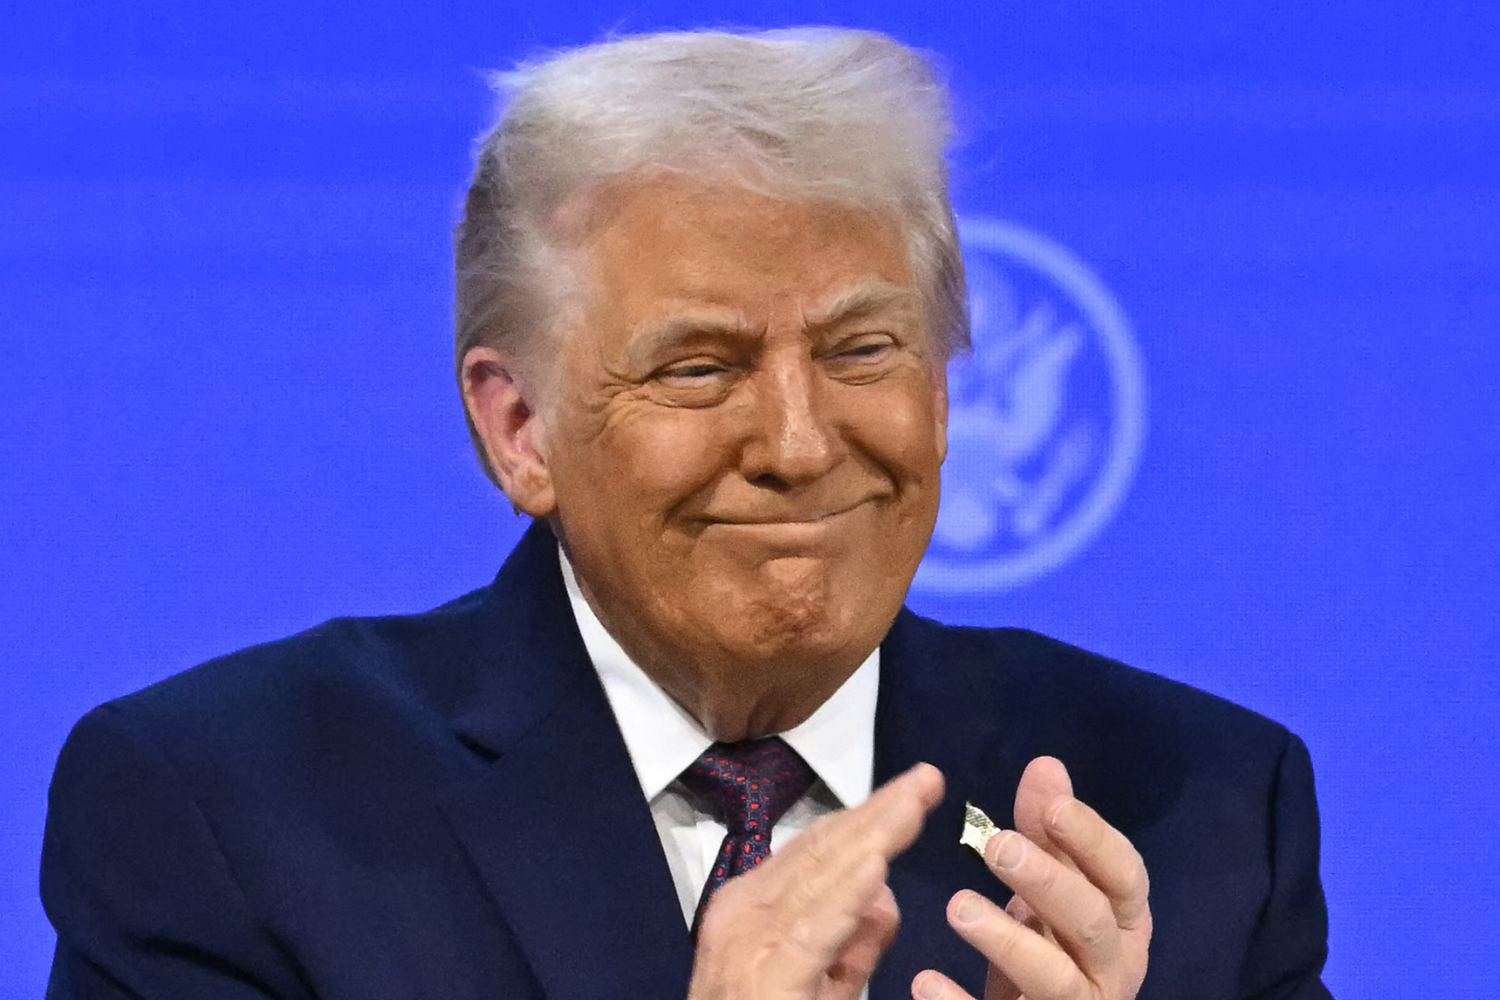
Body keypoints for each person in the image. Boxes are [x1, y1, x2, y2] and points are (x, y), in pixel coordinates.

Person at [40, 28, 1332, 1000]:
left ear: (942, 392)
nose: (797, 441)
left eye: (863, 349)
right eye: (698, 367)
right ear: (518, 429)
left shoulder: (1196, 812)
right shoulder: (230, 814)